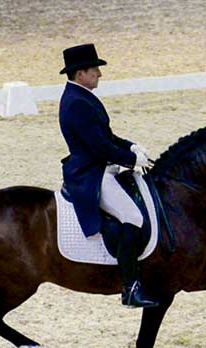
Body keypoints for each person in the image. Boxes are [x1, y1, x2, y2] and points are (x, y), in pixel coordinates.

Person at [58, 43, 158, 308]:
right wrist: (131, 160)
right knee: (133, 217)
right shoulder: (77, 102)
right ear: (81, 73)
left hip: (100, 166)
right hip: (91, 172)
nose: (99, 75)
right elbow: (99, 148)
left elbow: (108, 137)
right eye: (95, 70)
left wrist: (131, 146)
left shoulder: (82, 96)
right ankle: (130, 288)